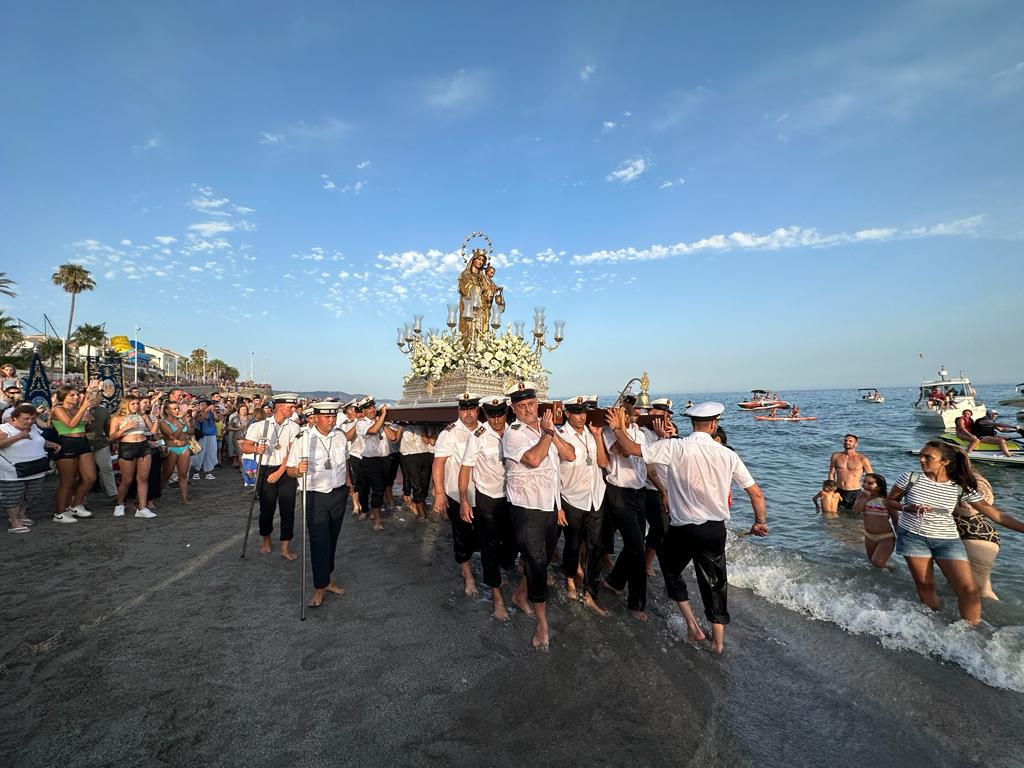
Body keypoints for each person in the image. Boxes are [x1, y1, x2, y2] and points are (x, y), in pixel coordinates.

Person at [607, 401, 768, 654]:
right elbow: (756, 494)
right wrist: (759, 522)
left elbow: (630, 448)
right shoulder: (727, 454)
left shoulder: (675, 446)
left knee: (671, 572)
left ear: (693, 423)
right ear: (714, 424)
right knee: (716, 583)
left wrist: (617, 428)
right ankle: (718, 642)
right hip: (715, 530)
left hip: (683, 529)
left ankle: (692, 625)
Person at [885, 440, 1024, 625]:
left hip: (948, 541)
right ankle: (934, 624)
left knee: (969, 590)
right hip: (913, 537)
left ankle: (969, 631)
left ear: (945, 461)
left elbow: (996, 515)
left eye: (928, 457)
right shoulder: (910, 478)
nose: (922, 460)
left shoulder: (960, 487)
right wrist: (906, 507)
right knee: (926, 586)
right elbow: (889, 502)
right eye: (921, 455)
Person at [501, 382, 575, 651]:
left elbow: (570, 455)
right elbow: (533, 459)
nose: (527, 409)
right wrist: (546, 434)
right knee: (537, 561)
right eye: (521, 406)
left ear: (538, 403)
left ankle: (520, 594)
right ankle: (542, 623)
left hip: (550, 507)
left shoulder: (547, 432)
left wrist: (551, 433)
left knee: (539, 561)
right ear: (513, 408)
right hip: (526, 508)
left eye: (531, 404)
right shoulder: (513, 434)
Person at [458, 396, 523, 621]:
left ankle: (505, 568)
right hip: (488, 499)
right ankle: (497, 597)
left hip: (514, 498)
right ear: (485, 414)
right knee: (489, 548)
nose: (496, 420)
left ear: (507, 413)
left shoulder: (516, 430)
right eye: (491, 415)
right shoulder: (478, 436)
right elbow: (465, 468)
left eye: (500, 414)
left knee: (513, 546)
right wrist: (465, 501)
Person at [287, 401, 350, 608]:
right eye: (327, 417)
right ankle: (319, 587)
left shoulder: (340, 436)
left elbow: (345, 463)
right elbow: (290, 470)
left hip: (338, 493)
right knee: (319, 541)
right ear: (315, 417)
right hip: (315, 496)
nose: (331, 420)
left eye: (333, 417)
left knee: (332, 539)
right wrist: (298, 470)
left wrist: (349, 486)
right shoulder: (303, 439)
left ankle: (327, 579)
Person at [600, 393, 652, 621]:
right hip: (619, 493)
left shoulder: (641, 433)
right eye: (635, 408)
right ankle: (637, 604)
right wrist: (618, 426)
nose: (639, 412)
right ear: (624, 408)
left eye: (641, 409)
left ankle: (614, 581)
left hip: (639, 492)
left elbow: (650, 459)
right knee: (637, 549)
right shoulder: (609, 430)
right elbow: (623, 451)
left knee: (636, 543)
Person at [556, 395, 609, 616]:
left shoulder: (592, 432)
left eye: (584, 412)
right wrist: (557, 506)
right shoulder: (559, 435)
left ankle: (590, 593)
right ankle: (570, 579)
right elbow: (554, 473)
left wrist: (597, 437)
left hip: (595, 497)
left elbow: (604, 463)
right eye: (577, 412)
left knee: (595, 546)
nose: (581, 417)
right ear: (567, 413)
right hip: (572, 498)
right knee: (573, 544)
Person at [239, 393, 302, 560]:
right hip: (265, 470)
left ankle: (285, 547)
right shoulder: (260, 426)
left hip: (285, 471)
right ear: (279, 407)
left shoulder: (294, 427)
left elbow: (291, 452)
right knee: (267, 509)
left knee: (288, 509)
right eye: (290, 407)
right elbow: (245, 446)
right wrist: (255, 449)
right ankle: (266, 540)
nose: (293, 410)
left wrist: (280, 471)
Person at [433, 393, 483, 597]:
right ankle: (468, 576)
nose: (468, 413)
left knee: (486, 535)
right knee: (462, 536)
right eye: (464, 409)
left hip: (484, 495)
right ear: (459, 410)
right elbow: (439, 464)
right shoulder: (450, 433)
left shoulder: (485, 430)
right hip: (458, 495)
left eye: (471, 409)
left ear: (478, 410)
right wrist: (439, 493)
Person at [0, 404, 60, 533]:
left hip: (36, 468)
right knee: (13, 496)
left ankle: (21, 514)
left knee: (32, 492)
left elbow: (40, 440)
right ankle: (14, 521)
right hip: (13, 471)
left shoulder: (32, 427)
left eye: (32, 418)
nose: (30, 421)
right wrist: (18, 436)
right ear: (14, 418)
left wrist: (51, 444)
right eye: (26, 419)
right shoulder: (5, 428)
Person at [50, 382, 102, 523]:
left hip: (82, 442)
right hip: (66, 443)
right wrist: (84, 407)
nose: (76, 397)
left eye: (77, 395)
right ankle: (59, 513)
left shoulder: (78, 409)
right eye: (71, 395)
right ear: (63, 397)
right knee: (67, 481)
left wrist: (90, 420)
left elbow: (86, 428)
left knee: (90, 477)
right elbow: (71, 424)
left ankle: (75, 505)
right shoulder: (58, 409)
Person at [353, 396, 398, 531]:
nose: (372, 410)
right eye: (368, 408)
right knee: (375, 488)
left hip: (385, 460)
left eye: (373, 407)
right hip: (370, 461)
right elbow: (372, 431)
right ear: (364, 411)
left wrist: (382, 421)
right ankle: (376, 519)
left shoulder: (380, 422)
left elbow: (393, 437)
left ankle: (374, 510)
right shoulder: (361, 424)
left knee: (382, 487)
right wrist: (382, 416)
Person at [954, 473, 1001, 600]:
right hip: (983, 533)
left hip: (971, 536)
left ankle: (993, 619)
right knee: (960, 584)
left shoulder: (957, 482)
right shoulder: (978, 479)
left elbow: (969, 508)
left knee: (983, 589)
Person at [109, 395, 155, 518]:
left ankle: (142, 508)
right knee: (127, 480)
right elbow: (112, 436)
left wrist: (153, 418)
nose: (136, 406)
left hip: (143, 446)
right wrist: (125, 428)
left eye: (137, 403)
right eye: (133, 403)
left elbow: (153, 431)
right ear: (126, 405)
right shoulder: (117, 418)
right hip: (127, 447)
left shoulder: (142, 416)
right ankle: (119, 504)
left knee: (143, 478)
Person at [852, 473, 894, 568]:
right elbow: (856, 511)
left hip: (886, 536)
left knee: (877, 562)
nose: (865, 485)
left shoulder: (886, 500)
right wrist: (864, 498)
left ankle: (892, 569)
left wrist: (901, 536)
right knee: (873, 562)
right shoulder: (862, 497)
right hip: (869, 536)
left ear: (879, 487)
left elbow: (895, 519)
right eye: (864, 482)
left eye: (870, 483)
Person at [158, 400, 192, 504]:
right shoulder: (163, 423)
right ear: (167, 411)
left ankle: (184, 499)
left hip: (184, 447)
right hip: (172, 448)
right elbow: (173, 436)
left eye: (178, 408)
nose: (177, 410)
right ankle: (155, 495)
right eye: (174, 409)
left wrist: (189, 424)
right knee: (166, 475)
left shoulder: (181, 420)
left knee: (183, 475)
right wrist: (183, 424)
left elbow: (190, 432)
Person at [398, 422, 434, 521]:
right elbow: (394, 439)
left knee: (425, 483)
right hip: (409, 455)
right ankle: (421, 513)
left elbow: (427, 440)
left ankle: (420, 502)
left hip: (424, 453)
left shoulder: (423, 424)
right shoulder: (401, 425)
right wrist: (400, 427)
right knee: (416, 484)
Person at [828, 434, 873, 512]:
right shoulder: (836, 456)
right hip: (838, 490)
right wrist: (830, 489)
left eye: (850, 441)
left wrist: (869, 492)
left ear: (856, 444)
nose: (847, 442)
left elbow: (871, 477)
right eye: (845, 440)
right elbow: (832, 473)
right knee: (836, 515)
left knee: (856, 516)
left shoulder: (862, 459)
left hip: (855, 492)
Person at [84, 396, 116, 499]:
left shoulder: (103, 410)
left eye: (97, 395)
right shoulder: (78, 409)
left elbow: (107, 427)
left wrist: (111, 440)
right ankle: (80, 497)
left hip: (100, 443)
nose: (95, 398)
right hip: (83, 444)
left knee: (107, 468)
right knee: (84, 473)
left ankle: (113, 493)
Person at [190, 400, 218, 479]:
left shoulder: (211, 413)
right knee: (198, 454)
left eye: (205, 404)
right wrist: (206, 410)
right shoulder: (197, 413)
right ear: (199, 406)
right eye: (202, 404)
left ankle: (208, 472)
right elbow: (201, 419)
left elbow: (217, 419)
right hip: (201, 436)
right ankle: (196, 472)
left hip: (211, 435)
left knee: (211, 453)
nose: (204, 406)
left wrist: (214, 411)